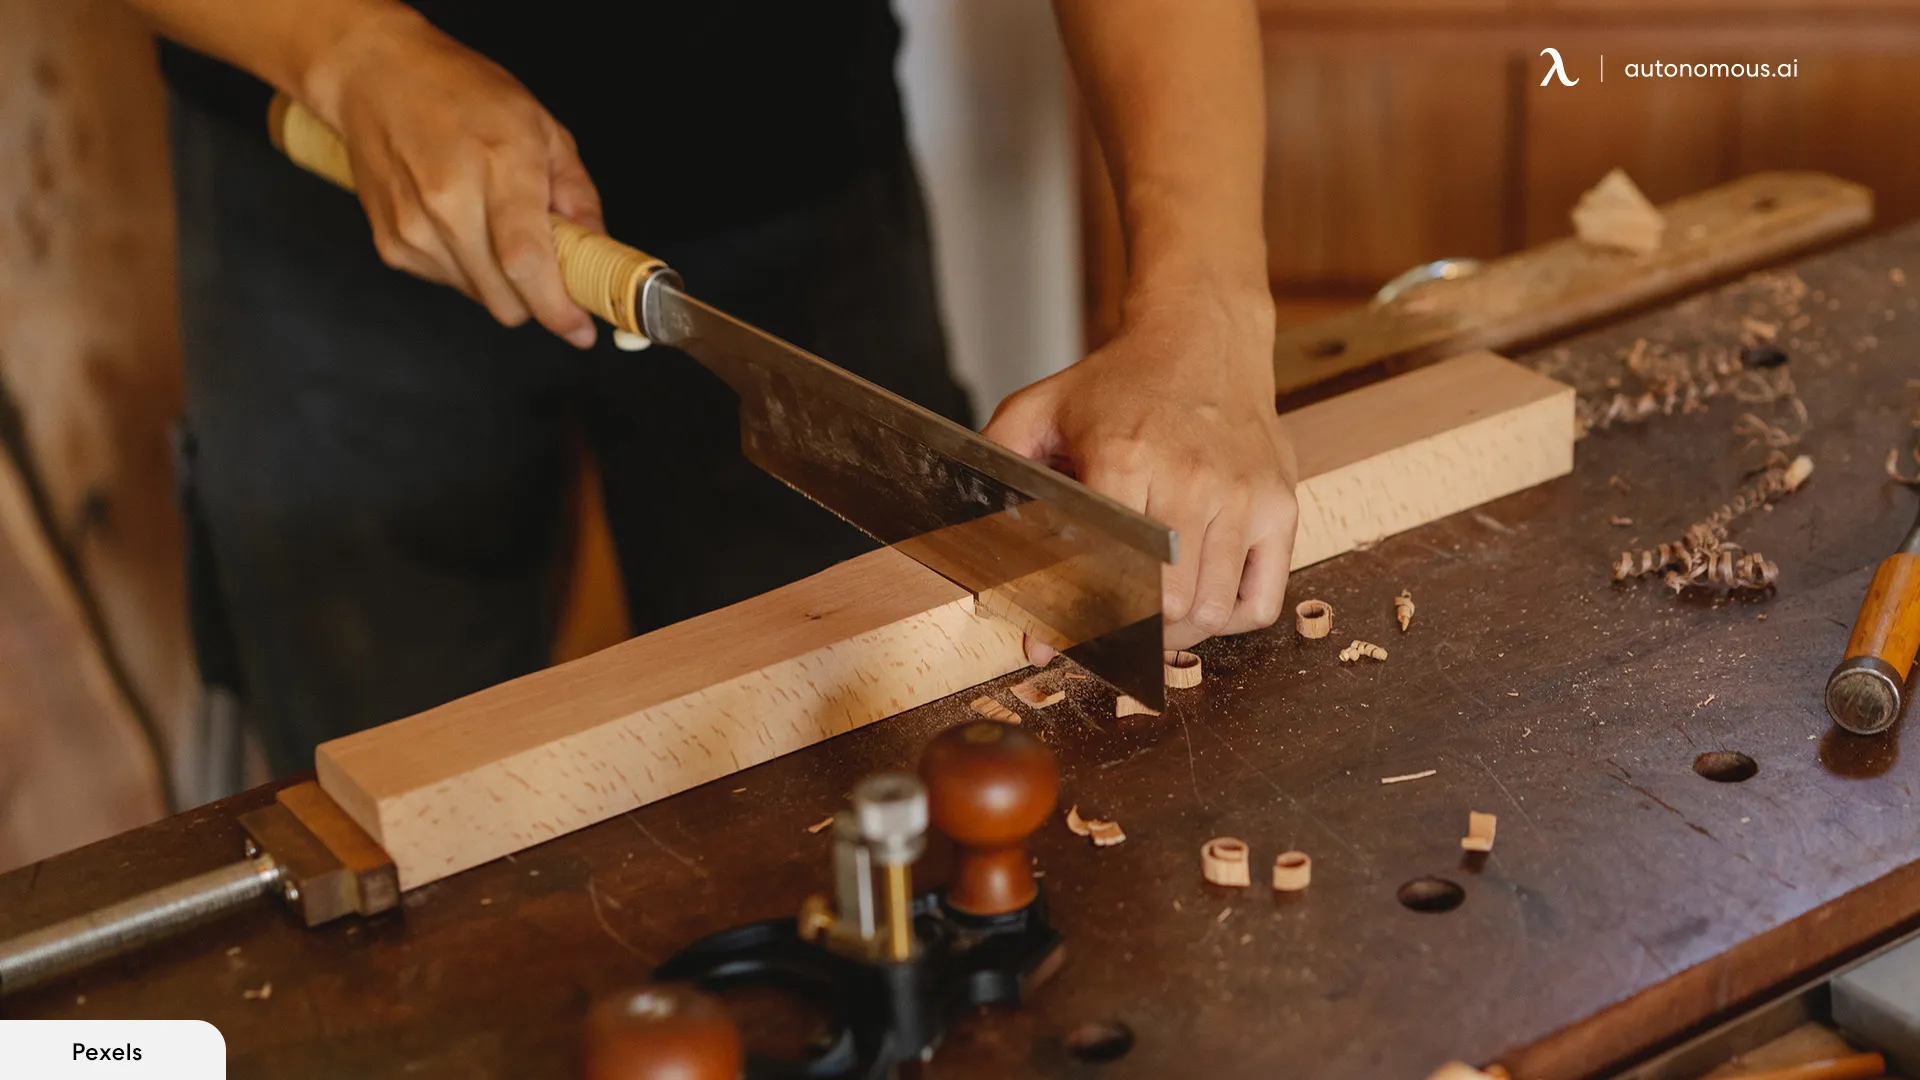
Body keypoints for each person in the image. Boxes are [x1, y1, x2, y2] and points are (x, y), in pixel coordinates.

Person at [132, 0, 1298, 778]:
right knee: (378, 768)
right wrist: (348, 46)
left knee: (876, 752)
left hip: (792, 165)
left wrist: (1204, 308)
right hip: (333, 173)